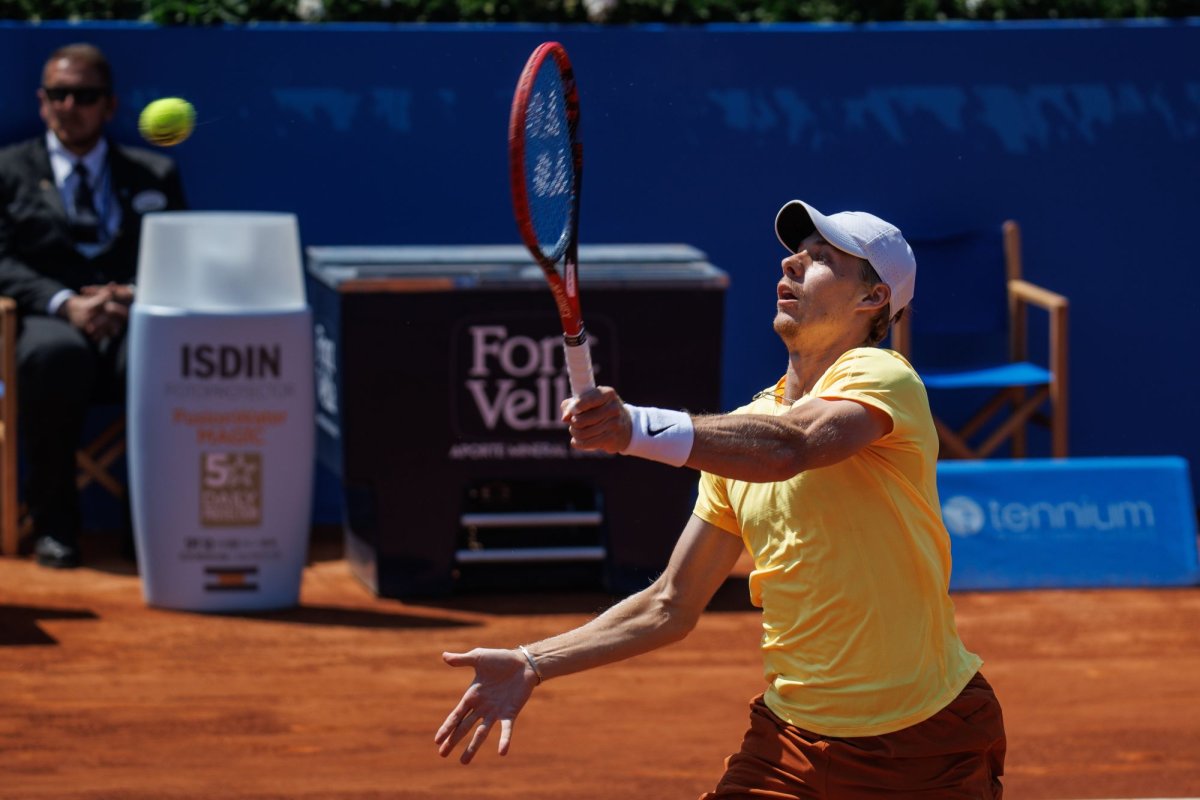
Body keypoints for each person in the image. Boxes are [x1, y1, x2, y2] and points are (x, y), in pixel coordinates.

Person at [435, 200, 1006, 797]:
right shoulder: (740, 435)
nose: (790, 264)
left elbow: (792, 447)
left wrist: (631, 428)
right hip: (794, 745)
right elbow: (669, 604)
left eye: (821, 259)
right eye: (795, 254)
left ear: (872, 300)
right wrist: (533, 661)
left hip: (926, 738)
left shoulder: (884, 376)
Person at [0, 43, 187, 568]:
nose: (70, 106)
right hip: (47, 322)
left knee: (160, 359)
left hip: (129, 318)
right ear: (42, 102)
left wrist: (127, 294)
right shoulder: (8, 169)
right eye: (59, 95)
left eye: (84, 95)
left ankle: (148, 531)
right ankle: (54, 528)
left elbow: (176, 254)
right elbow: (1, 260)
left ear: (108, 105)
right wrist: (64, 304)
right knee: (55, 357)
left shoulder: (156, 172)